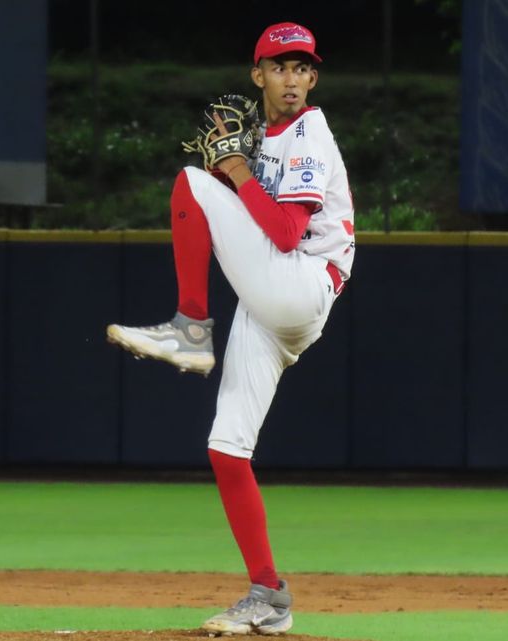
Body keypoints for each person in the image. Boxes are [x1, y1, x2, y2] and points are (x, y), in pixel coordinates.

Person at [106, 22, 355, 635]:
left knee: (189, 181)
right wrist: (235, 174)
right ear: (258, 75)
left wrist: (232, 174)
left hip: (300, 282)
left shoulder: (308, 132)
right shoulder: (264, 136)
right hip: (270, 307)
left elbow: (288, 233)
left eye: (301, 67)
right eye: (279, 66)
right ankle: (269, 595)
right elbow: (245, 215)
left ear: (313, 77)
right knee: (226, 448)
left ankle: (190, 326)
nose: (291, 78)